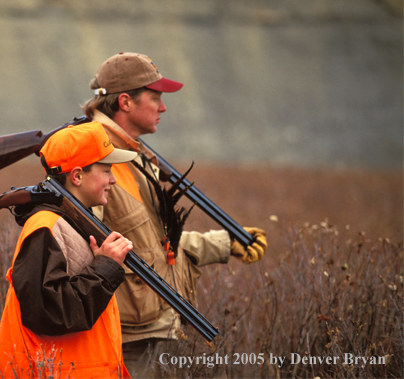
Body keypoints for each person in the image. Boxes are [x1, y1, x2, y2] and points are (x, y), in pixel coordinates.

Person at [82, 52, 268, 377]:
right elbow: (85, 250)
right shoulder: (97, 157)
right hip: (121, 333)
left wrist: (224, 244)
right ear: (125, 102)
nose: (163, 107)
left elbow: (152, 245)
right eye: (155, 98)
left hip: (144, 325)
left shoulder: (133, 156)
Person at [0, 122, 138, 379]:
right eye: (106, 170)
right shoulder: (45, 226)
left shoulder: (73, 222)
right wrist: (104, 268)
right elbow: (47, 311)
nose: (113, 179)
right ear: (77, 176)